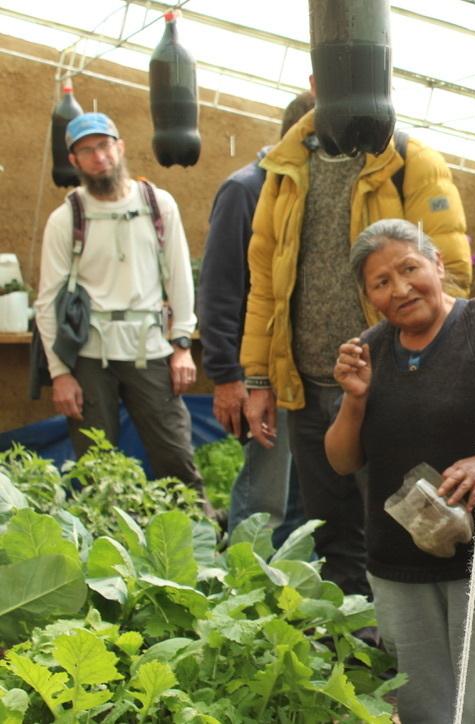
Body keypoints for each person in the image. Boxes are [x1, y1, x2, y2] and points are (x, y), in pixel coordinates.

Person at [240, 87, 472, 597]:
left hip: (388, 386)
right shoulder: (285, 170)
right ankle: (350, 645)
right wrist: (258, 377)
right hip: (307, 384)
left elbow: (449, 272)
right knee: (330, 531)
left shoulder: (411, 161)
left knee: (400, 522)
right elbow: (264, 283)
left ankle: (401, 644)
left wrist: (416, 366)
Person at [325, 219, 475, 723]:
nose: (400, 289)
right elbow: (341, 459)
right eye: (381, 282)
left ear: (438, 265)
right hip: (401, 569)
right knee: (421, 711)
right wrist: (355, 401)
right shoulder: (370, 351)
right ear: (368, 295)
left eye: (410, 268)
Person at [34, 112, 208, 508]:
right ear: (74, 161)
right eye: (86, 151)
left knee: (175, 456)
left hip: (148, 348)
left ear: (120, 147)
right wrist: (60, 374)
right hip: (89, 355)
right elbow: (47, 300)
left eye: (104, 146)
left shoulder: (157, 204)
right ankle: (107, 550)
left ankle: (201, 546)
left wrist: (182, 344)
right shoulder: (66, 219)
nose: (99, 157)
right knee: (96, 468)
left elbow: (180, 277)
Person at [198, 91, 314, 545]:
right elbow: (219, 289)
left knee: (303, 494)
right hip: (261, 370)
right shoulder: (246, 189)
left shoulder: (308, 190)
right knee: (264, 492)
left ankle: (292, 596)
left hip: (304, 372)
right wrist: (229, 377)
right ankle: (243, 590)